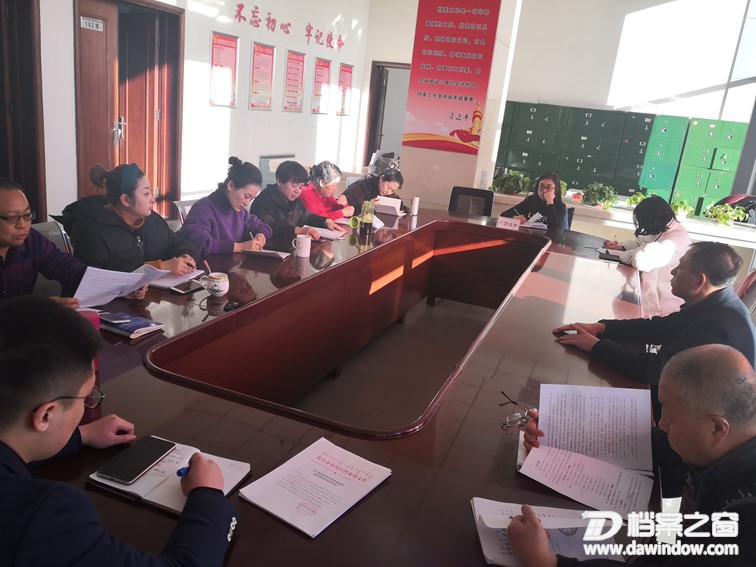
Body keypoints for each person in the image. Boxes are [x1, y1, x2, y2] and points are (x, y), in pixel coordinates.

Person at [0, 296, 237, 565]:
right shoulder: (43, 515)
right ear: (46, 415)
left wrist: (81, 435)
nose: (87, 404)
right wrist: (207, 496)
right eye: (86, 397)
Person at [509, 344, 756, 567]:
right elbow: (656, 443)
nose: (662, 424)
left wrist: (545, 562)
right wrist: (557, 429)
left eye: (671, 418)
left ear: (716, 429)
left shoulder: (745, 522)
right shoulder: (727, 440)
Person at [554, 241, 756, 417]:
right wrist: (604, 327)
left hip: (703, 420)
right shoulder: (717, 300)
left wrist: (597, 347)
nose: (673, 272)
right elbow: (662, 326)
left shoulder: (718, 325)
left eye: (680, 267)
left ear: (699, 281)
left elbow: (658, 370)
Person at [63, 163, 199, 275]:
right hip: (114, 300)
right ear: (126, 200)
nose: (152, 199)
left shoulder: (153, 220)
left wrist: (186, 256)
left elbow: (177, 242)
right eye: (146, 193)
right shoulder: (91, 229)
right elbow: (98, 276)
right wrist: (159, 267)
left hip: (155, 296)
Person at [0, 178, 86, 306]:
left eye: (27, 215)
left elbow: (70, 269)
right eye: (12, 218)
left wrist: (109, 284)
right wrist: (36, 305)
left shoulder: (32, 240)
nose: (22, 225)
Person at [605, 196, 691, 315]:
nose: (643, 227)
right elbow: (642, 242)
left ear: (652, 219)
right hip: (649, 298)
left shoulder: (674, 241)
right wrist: (621, 247)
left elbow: (639, 260)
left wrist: (622, 255)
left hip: (662, 307)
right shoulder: (663, 228)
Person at [177, 157, 272, 257]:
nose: (247, 203)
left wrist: (261, 235)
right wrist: (240, 247)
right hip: (206, 265)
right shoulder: (203, 208)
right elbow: (199, 244)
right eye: (246, 196)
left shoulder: (239, 212)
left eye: (251, 199)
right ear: (231, 186)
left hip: (229, 264)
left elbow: (263, 227)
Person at [249, 160, 344, 243]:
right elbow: (268, 227)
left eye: (301, 187)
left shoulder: (294, 200)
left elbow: (307, 216)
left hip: (290, 247)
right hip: (268, 250)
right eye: (294, 186)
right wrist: (298, 230)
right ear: (279, 181)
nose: (297, 191)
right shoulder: (264, 200)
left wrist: (326, 221)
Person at [500, 172, 567, 230]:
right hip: (529, 236)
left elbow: (556, 227)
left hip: (548, 239)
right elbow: (504, 214)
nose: (544, 190)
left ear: (556, 189)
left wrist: (550, 202)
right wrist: (514, 217)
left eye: (549, 187)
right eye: (541, 186)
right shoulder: (530, 200)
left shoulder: (560, 206)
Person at [342, 167, 406, 216]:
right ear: (381, 179)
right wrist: (368, 205)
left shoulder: (386, 192)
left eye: (393, 191)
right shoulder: (363, 186)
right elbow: (347, 209)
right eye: (389, 188)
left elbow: (400, 203)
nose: (388, 192)